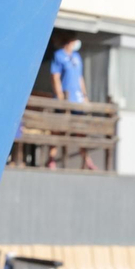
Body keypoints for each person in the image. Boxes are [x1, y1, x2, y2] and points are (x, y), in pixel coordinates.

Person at [48, 34, 95, 171]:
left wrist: (84, 95)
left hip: (77, 100)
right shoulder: (59, 55)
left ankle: (86, 160)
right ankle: (51, 159)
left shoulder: (76, 57)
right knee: (58, 130)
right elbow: (55, 77)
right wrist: (60, 96)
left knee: (80, 131)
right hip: (64, 100)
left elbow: (80, 77)